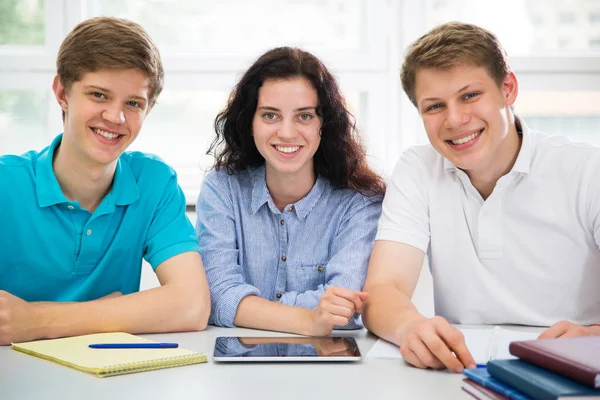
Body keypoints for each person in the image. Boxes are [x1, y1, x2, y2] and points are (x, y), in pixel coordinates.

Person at [362, 21, 600, 372]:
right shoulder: (417, 169)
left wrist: (594, 335)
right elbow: (383, 290)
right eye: (434, 107)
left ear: (508, 89)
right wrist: (411, 327)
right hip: (462, 372)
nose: (455, 120)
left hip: (572, 372)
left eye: (470, 95)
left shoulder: (586, 169)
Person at [0, 17, 210, 345]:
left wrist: (37, 320)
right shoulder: (5, 184)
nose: (116, 117)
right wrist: (112, 311)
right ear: (62, 93)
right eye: (99, 95)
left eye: (133, 103)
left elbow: (192, 305)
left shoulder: (154, 182)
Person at [196, 47, 385, 336]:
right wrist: (309, 318)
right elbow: (217, 297)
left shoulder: (360, 202)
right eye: (270, 115)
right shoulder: (222, 188)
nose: (286, 132)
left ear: (326, 124)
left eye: (304, 117)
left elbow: (347, 310)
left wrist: (248, 306)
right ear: (249, 123)